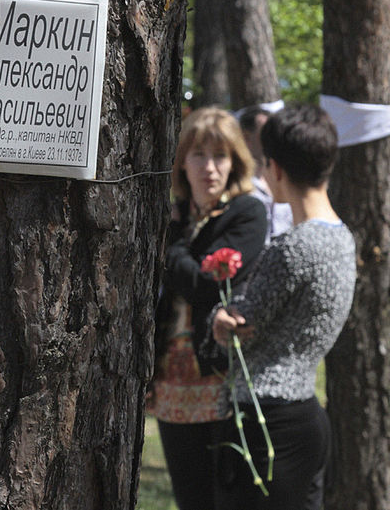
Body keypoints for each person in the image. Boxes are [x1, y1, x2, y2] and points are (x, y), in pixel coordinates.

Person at [209, 103, 356, 510]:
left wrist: (219, 316)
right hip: (306, 414)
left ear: (274, 169)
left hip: (265, 419)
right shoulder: (343, 239)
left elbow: (238, 323)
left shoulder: (293, 248)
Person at [148, 107, 267, 510]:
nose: (209, 168)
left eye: (220, 156)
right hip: (170, 379)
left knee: (226, 497)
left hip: (217, 378)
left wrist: (172, 240)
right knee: (190, 498)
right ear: (183, 161)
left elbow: (205, 283)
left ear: (235, 161)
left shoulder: (247, 213)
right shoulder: (180, 216)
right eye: (199, 155)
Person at [239, 105, 293, 243]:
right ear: (246, 138)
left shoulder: (284, 179)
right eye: (265, 132)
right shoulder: (237, 184)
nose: (273, 138)